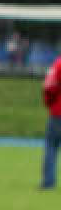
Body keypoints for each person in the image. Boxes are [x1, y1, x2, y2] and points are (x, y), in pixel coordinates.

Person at [42, 53, 60, 188]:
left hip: (58, 113)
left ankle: (48, 181)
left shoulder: (58, 64)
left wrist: (49, 103)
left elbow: (49, 86)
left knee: (51, 146)